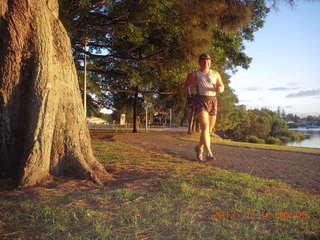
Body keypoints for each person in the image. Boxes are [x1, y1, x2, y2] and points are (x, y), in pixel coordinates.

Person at [181, 53, 224, 161]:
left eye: (208, 61)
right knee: (205, 126)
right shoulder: (194, 74)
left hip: (213, 101)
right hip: (200, 100)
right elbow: (184, 87)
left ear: (210, 62)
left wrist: (220, 88)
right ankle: (209, 152)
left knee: (209, 130)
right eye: (203, 61)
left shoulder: (216, 74)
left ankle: (199, 147)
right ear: (199, 62)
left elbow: (222, 86)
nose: (206, 63)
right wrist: (191, 87)